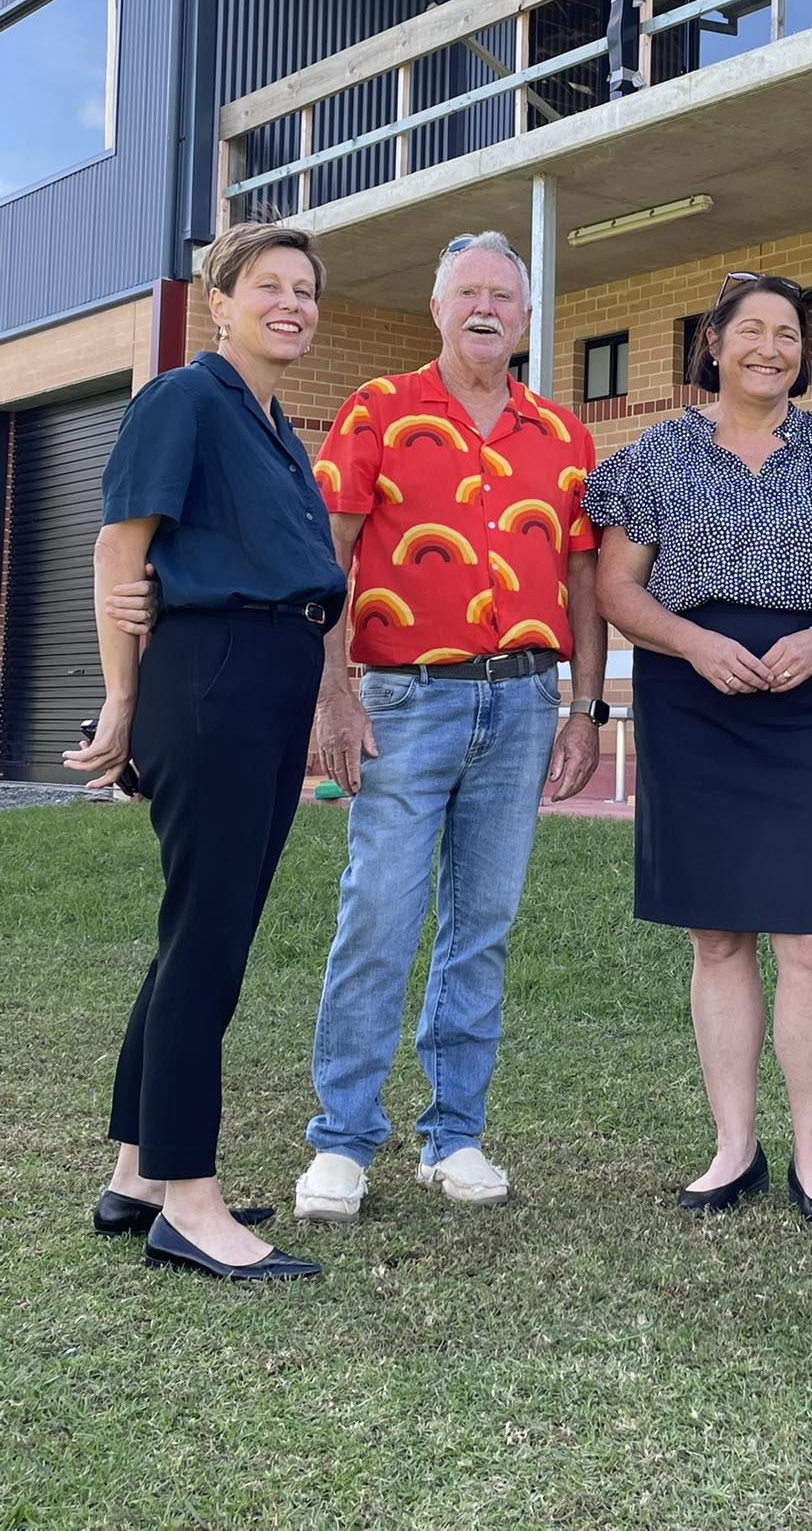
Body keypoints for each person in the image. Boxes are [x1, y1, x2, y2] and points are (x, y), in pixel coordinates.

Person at [286, 230, 607, 1221]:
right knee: (378, 915)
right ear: (437, 309)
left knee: (483, 927)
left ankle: (454, 1134)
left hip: (524, 700)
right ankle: (341, 1141)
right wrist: (332, 693)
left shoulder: (564, 435)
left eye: (502, 295)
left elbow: (584, 579)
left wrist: (586, 708)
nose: (485, 308)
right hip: (403, 701)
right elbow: (327, 556)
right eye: (467, 291)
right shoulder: (379, 409)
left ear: (526, 317)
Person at [586, 273, 812, 1228]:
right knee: (718, 933)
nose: (772, 347)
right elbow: (615, 588)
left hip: (806, 704)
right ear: (714, 345)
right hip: (693, 698)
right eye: (753, 331)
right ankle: (734, 1148)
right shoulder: (654, 456)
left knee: (811, 936)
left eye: (790, 334)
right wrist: (693, 643)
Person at [66, 222, 346, 1281]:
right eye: (268, 285)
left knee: (197, 930)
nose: (291, 304)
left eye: (305, 290)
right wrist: (122, 700)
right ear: (218, 304)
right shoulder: (184, 398)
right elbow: (119, 546)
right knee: (208, 944)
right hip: (216, 674)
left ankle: (138, 1174)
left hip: (268, 674)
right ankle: (190, 1202)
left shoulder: (274, 426)